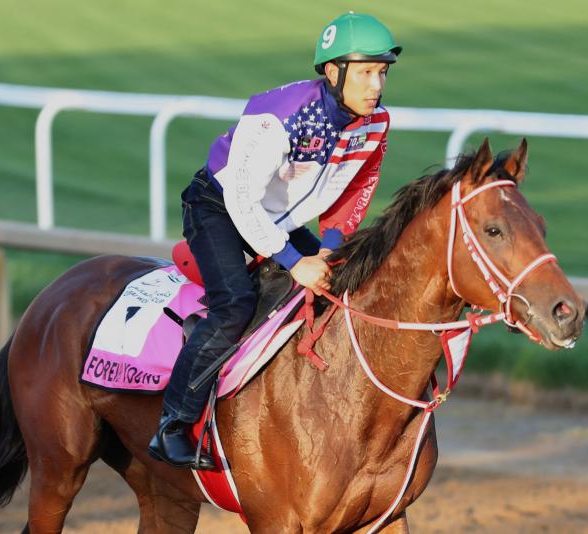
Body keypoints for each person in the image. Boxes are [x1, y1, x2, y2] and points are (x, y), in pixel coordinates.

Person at [148, 12, 402, 470]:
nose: (376, 84)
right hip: (218, 207)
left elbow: (356, 188)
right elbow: (242, 201)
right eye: (365, 71)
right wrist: (292, 259)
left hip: (278, 219)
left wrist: (330, 245)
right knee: (235, 304)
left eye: (382, 71)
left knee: (338, 287)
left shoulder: (376, 123)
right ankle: (172, 424)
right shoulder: (279, 115)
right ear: (333, 71)